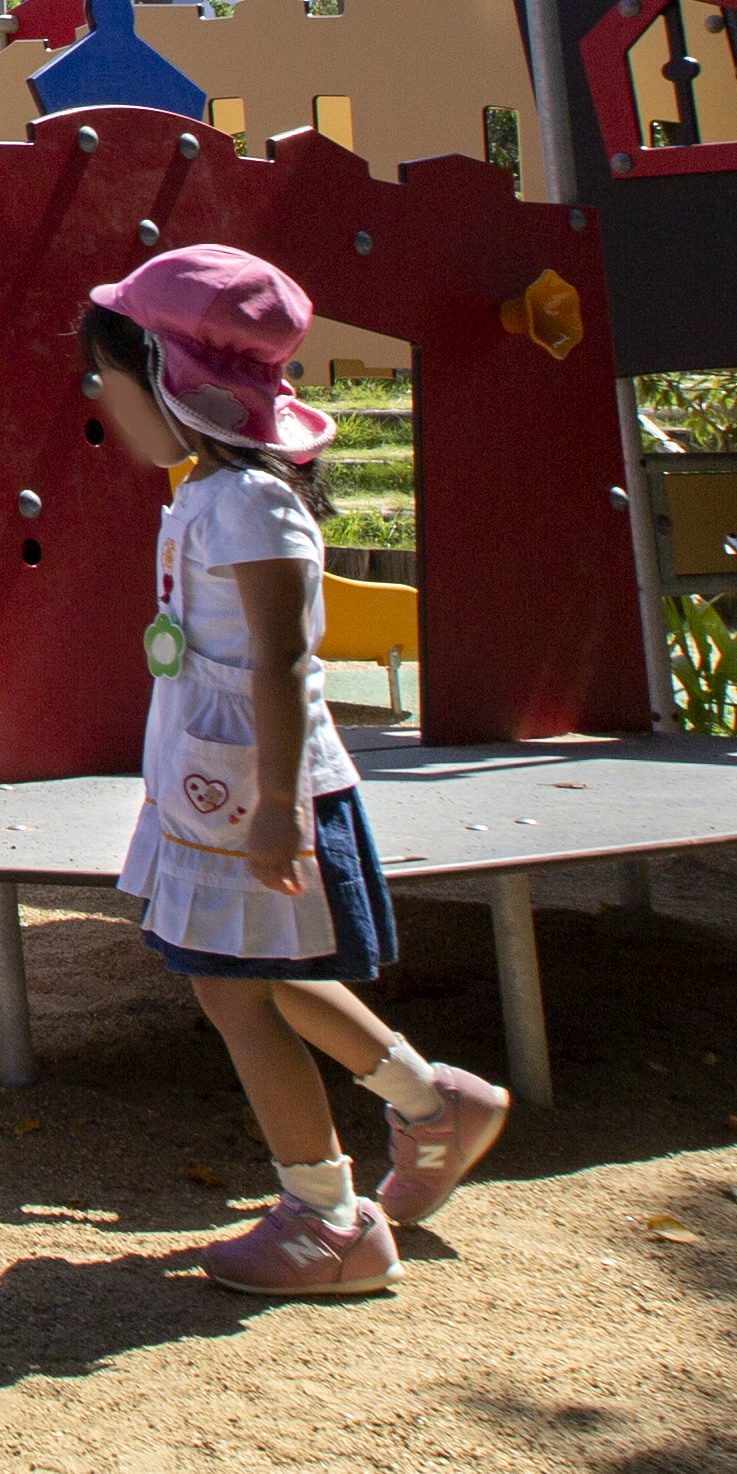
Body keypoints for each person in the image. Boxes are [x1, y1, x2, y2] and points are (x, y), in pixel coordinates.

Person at [88, 246, 512, 1295]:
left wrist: (278, 806)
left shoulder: (251, 505)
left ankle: (328, 1218)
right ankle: (431, 1104)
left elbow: (282, 659)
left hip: (261, 793)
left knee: (240, 993)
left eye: (110, 375)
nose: (97, 397)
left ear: (170, 380)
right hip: (220, 782)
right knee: (258, 980)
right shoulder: (207, 496)